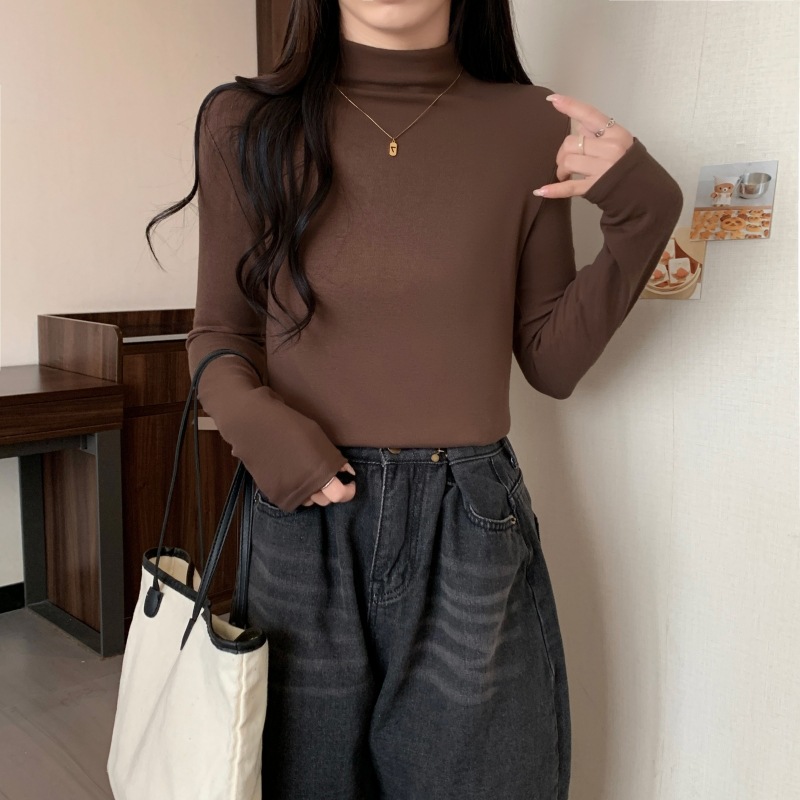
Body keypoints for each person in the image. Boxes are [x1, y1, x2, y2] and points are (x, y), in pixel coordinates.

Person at [146, 1, 683, 797]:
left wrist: (647, 210)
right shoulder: (244, 120)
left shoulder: (528, 124)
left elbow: (551, 361)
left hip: (469, 522)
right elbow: (220, 330)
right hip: (302, 518)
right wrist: (262, 429)